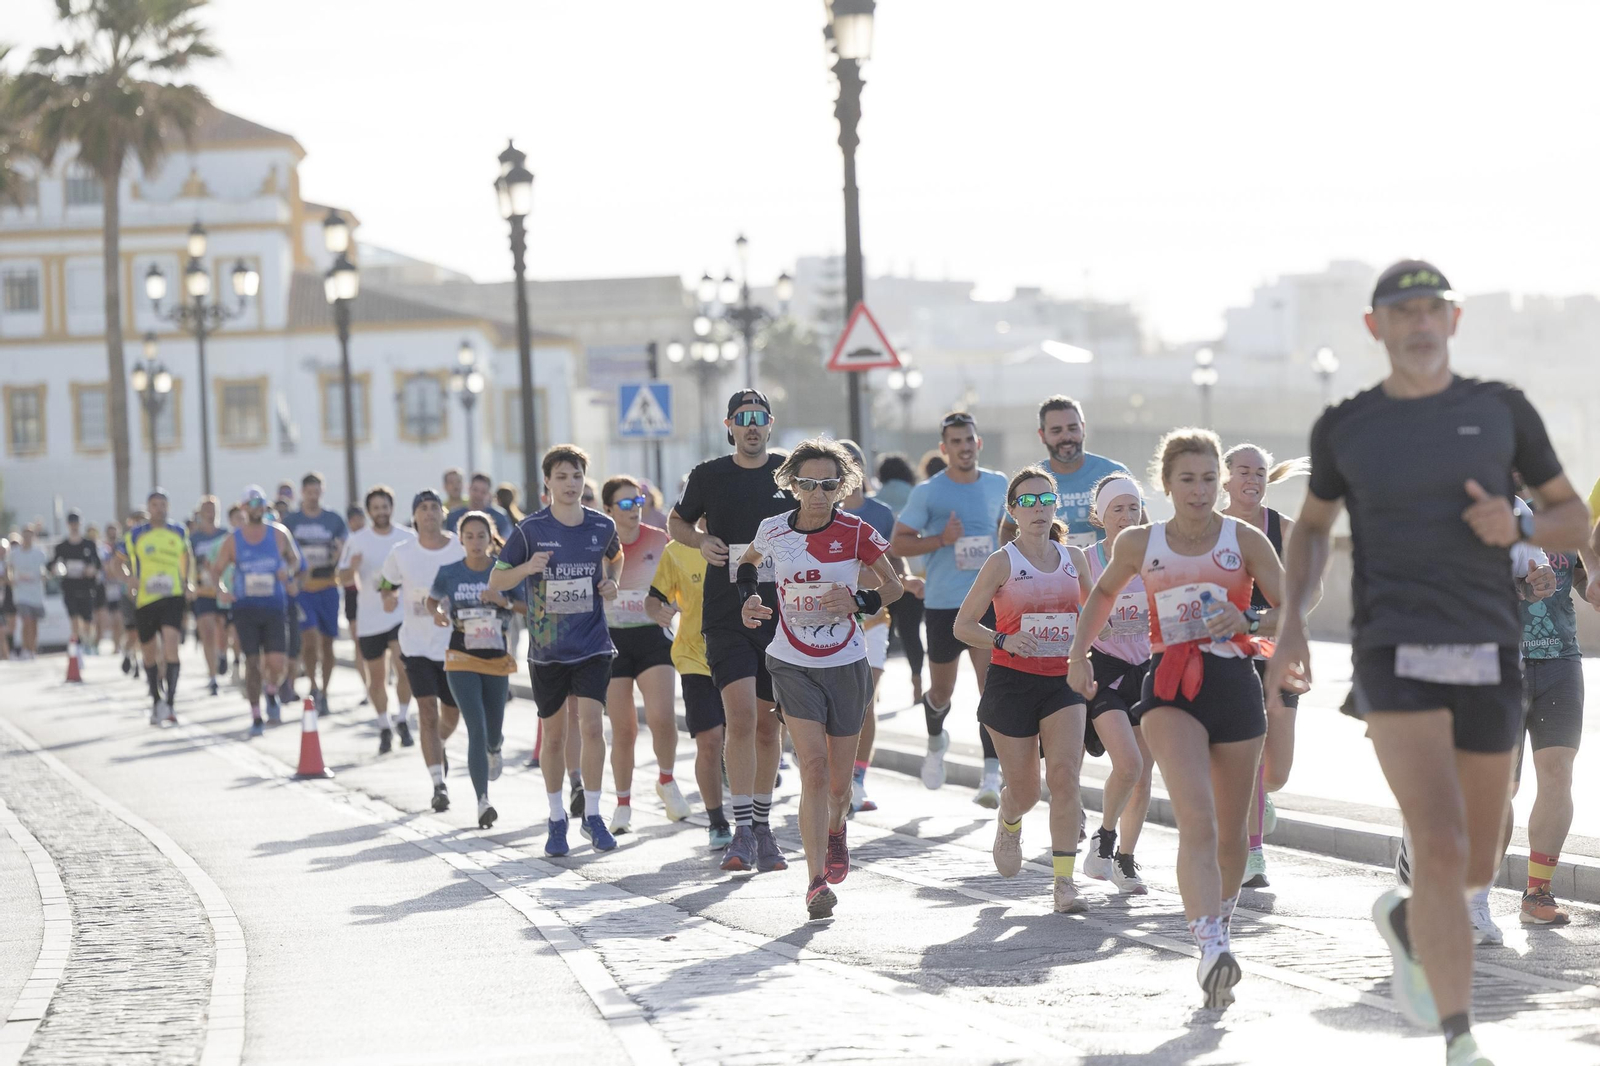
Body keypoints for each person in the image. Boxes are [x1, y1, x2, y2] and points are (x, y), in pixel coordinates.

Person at [1266, 260, 1589, 1066]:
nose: (1418, 323)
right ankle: (1459, 1038)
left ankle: (1414, 916)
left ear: (1455, 320)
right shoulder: (1348, 425)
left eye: (1431, 309)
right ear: (1374, 326)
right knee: (1441, 842)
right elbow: (1312, 529)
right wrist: (1292, 622)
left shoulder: (1501, 410)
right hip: (1395, 651)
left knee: (1475, 855)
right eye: (1402, 310)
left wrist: (1519, 529)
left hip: (1490, 652)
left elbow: (1572, 519)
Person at [1071, 428, 1287, 1009]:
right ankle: (1211, 946)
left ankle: (1221, 920)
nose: (1199, 490)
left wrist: (1247, 621)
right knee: (1198, 820)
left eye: (1209, 479)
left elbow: (1291, 607)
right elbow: (1102, 596)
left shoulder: (1244, 539)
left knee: (1233, 833)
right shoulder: (1141, 542)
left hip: (1235, 685)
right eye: (1187, 479)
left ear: (1221, 483)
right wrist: (1078, 656)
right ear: (1165, 485)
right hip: (1169, 686)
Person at [737, 438, 901, 918]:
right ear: (792, 485)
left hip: (845, 662)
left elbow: (893, 585)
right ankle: (815, 882)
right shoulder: (773, 529)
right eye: (808, 484)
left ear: (841, 487)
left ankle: (836, 828)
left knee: (838, 786)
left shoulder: (856, 531)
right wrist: (749, 598)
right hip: (790, 660)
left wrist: (859, 601)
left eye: (828, 484)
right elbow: (747, 563)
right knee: (813, 767)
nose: (817, 493)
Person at [668, 390, 796, 872]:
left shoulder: (788, 473)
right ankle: (740, 829)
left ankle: (762, 826)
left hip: (781, 616)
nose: (752, 425)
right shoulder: (709, 475)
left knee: (768, 725)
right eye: (743, 418)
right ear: (730, 426)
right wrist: (700, 541)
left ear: (770, 422)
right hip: (726, 616)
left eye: (759, 417)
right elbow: (676, 522)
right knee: (739, 717)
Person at [956, 464, 1093, 913]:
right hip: (1012, 682)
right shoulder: (1003, 562)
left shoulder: (1074, 559)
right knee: (1027, 792)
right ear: (1013, 511)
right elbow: (963, 625)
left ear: (1056, 506)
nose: (1039, 508)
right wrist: (1004, 639)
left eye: (1046, 499)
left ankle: (1064, 883)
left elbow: (1096, 614)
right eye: (1028, 502)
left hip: (1062, 682)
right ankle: (1010, 818)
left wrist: (1111, 628)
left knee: (1065, 778)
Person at [492, 445, 624, 856]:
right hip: (547, 650)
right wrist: (527, 569)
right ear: (547, 481)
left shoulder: (602, 525)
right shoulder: (530, 530)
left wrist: (612, 582)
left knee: (592, 727)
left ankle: (594, 815)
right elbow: (497, 581)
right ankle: (555, 819)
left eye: (577, 476)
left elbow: (616, 557)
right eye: (562, 477)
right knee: (554, 737)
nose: (571, 484)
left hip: (593, 643)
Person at [891, 412, 1010, 804]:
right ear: (944, 448)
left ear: (979, 443)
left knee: (991, 689)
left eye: (969, 440)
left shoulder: (998, 484)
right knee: (942, 691)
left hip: (989, 602)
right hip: (943, 604)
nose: (964, 447)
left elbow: (1011, 530)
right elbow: (899, 542)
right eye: (955, 442)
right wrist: (941, 539)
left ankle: (990, 775)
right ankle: (935, 741)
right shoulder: (929, 492)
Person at [1220, 443, 1313, 888]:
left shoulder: (1285, 530)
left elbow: (1308, 592)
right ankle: (1253, 853)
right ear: (1225, 478)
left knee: (1277, 771)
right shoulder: (1211, 529)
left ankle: (1261, 799)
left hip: (1277, 651)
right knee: (1251, 755)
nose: (1252, 479)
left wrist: (1272, 620)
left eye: (1259, 472)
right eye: (1243, 471)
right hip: (1230, 656)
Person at [1079, 473, 1155, 895]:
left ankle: (1124, 859)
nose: (1127, 516)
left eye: (1133, 507)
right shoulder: (1086, 561)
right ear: (1100, 516)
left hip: (1148, 672)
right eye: (1117, 509)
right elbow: (1071, 610)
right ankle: (1105, 839)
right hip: (1104, 674)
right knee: (1129, 765)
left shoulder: (1156, 557)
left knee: (1143, 776)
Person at [600, 474, 686, 834]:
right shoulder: (599, 545)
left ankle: (666, 780)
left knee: (663, 717)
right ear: (608, 509)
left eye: (637, 501)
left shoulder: (658, 539)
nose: (634, 509)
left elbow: (677, 585)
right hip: (612, 641)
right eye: (624, 503)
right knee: (624, 729)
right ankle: (622, 804)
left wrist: (673, 607)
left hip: (652, 637)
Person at [429, 511, 524, 829]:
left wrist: (502, 601)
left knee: (493, 732)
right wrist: (438, 612)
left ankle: (495, 748)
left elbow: (526, 606)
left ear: (489, 538)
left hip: (496, 657)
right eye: (468, 536)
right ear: (460, 539)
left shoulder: (504, 572)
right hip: (461, 656)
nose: (475, 542)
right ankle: (483, 801)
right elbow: (432, 600)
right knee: (476, 727)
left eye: (481, 536)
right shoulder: (450, 572)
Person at [840, 439, 915, 813]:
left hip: (873, 621)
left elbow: (894, 566)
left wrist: (908, 581)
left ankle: (856, 779)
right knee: (835, 705)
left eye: (855, 461)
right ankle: (828, 774)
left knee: (866, 701)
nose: (850, 468)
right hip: (828, 623)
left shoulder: (880, 513)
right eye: (843, 462)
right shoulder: (817, 514)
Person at [381, 491, 466, 812]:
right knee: (427, 712)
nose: (429, 513)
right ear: (414, 516)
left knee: (452, 714)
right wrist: (387, 598)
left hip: (453, 643)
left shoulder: (459, 547)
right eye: (422, 508)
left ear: (442, 513)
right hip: (416, 645)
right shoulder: (401, 552)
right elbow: (386, 583)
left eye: (434, 508)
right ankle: (438, 784)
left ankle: (439, 743)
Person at [647, 526, 733, 848]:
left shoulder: (749, 540)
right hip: (695, 659)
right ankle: (717, 821)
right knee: (710, 741)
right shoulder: (677, 550)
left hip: (740, 655)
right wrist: (660, 613)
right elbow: (653, 599)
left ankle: (753, 818)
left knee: (745, 738)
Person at [213, 486, 301, 735]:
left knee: (277, 663)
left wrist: (288, 572)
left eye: (261, 503)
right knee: (252, 663)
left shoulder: (279, 534)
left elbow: (295, 560)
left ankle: (271, 691)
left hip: (274, 606)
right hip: (245, 608)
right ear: (243, 508)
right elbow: (216, 570)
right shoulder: (234, 540)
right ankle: (256, 715)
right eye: (252, 504)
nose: (257, 508)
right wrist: (221, 590)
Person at [338, 487, 416, 754]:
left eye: (385, 507)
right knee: (377, 676)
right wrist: (352, 567)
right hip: (370, 618)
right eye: (376, 508)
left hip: (399, 614)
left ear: (392, 508)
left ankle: (402, 718)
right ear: (369, 511)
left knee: (404, 668)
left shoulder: (407, 538)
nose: (381, 512)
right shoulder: (357, 540)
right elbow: (342, 578)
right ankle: (384, 725)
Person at [1002, 396, 1129, 549]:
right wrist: (1017, 560)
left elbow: (1141, 528)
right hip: (1052, 565)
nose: (1067, 437)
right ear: (1042, 435)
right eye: (1056, 431)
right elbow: (1008, 529)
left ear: (1083, 429)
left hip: (1106, 564)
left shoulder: (1114, 473)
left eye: (1073, 428)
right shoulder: (1032, 481)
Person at [118, 492, 194, 724]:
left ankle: (170, 703)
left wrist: (187, 581)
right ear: (148, 507)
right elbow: (116, 562)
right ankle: (156, 700)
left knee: (171, 648)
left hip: (172, 597)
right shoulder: (136, 534)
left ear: (167, 507)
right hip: (145, 600)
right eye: (154, 505)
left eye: (163, 504)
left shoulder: (178, 531)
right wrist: (128, 578)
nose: (159, 509)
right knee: (149, 653)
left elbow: (186, 556)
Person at [283, 473, 347, 717]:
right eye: (309, 492)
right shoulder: (292, 521)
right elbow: (282, 550)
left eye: (316, 491)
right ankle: (313, 685)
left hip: (328, 586)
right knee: (309, 640)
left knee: (328, 643)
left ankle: (326, 692)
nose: (313, 496)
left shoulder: (333, 519)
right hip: (303, 590)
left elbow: (344, 547)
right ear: (302, 493)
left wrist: (339, 554)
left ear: (322, 491)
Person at [188, 497, 229, 697]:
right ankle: (212, 677)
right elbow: (187, 564)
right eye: (206, 510)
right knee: (207, 632)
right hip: (203, 591)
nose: (210, 513)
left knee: (223, 628)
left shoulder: (225, 535)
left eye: (213, 509)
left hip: (224, 589)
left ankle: (223, 654)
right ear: (200, 513)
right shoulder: (194, 539)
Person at [50, 511, 101, 654]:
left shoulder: (89, 544)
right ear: (68, 525)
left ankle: (89, 643)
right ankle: (78, 645)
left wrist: (92, 569)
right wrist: (57, 569)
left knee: (87, 619)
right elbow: (52, 564)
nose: (74, 526)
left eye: (76, 523)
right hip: (70, 587)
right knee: (74, 617)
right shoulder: (62, 547)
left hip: (86, 587)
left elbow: (98, 563)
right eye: (72, 523)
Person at [6, 528, 47, 660]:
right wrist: (11, 579)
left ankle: (32, 649)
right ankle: (25, 649)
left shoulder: (39, 553)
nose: (27, 539)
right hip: (21, 594)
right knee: (26, 621)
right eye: (25, 536)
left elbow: (44, 570)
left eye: (30, 536)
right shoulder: (15, 554)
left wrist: (44, 576)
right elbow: (8, 568)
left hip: (36, 594)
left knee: (34, 624)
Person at [343, 503, 369, 702]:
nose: (357, 523)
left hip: (374, 596)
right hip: (353, 596)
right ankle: (367, 687)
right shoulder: (348, 542)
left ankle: (379, 681)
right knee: (359, 644)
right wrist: (351, 568)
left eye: (360, 519)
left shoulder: (374, 538)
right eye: (353, 520)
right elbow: (341, 574)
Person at [445, 472, 514, 538]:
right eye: (475, 490)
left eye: (483, 492)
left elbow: (507, 540)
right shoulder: (454, 516)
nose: (478, 495)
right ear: (469, 489)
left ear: (489, 494)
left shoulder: (499, 517)